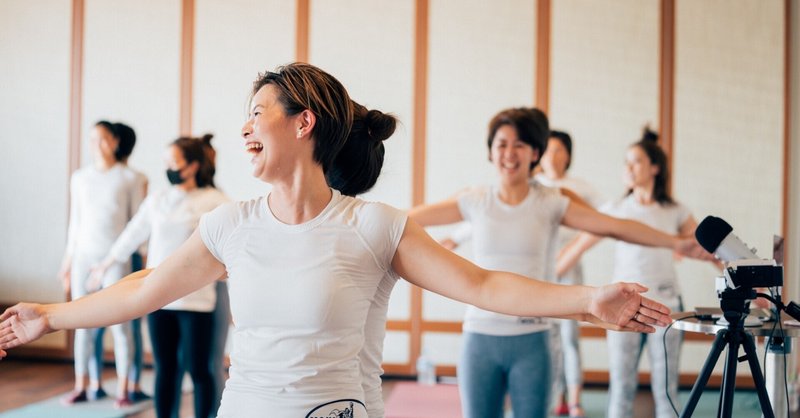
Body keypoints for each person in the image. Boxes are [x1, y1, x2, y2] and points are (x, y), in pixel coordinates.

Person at [0, 63, 673, 418]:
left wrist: (592, 298)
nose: (243, 128)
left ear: (304, 123)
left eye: (258, 112)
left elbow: (483, 285)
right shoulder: (230, 225)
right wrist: (49, 316)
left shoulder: (374, 226)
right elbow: (144, 287)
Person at [407, 109, 708, 418]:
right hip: (479, 338)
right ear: (490, 151)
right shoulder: (475, 199)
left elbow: (614, 225)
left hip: (534, 338)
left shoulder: (552, 200)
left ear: (535, 152)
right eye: (501, 144)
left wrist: (676, 243)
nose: (509, 153)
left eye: (519, 144)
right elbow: (407, 221)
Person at [556, 128, 697, 418]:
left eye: (635, 162)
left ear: (655, 168)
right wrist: (543, 277)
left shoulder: (676, 211)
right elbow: (578, 246)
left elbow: (704, 250)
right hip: (623, 309)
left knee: (666, 389)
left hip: (666, 308)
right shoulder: (616, 209)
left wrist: (750, 284)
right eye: (626, 163)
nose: (628, 169)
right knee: (621, 387)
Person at [90, 134, 229, 417]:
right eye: (165, 161)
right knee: (166, 368)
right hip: (158, 299)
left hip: (197, 302)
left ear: (192, 166)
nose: (166, 167)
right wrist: (105, 264)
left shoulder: (216, 201)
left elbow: (232, 244)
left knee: (201, 368)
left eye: (172, 162)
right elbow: (132, 234)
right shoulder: (159, 200)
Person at [56, 120, 146, 408]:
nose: (97, 144)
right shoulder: (80, 178)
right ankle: (84, 384)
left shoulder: (131, 178)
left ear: (115, 142)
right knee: (83, 324)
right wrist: (68, 261)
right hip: (84, 256)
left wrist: (140, 262)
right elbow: (75, 223)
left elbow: (138, 226)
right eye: (93, 138)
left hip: (115, 259)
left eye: (104, 139)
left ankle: (123, 388)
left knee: (120, 325)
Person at [534, 130, 603, 418]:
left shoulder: (578, 187)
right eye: (547, 149)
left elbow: (605, 218)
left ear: (568, 155)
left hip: (570, 267)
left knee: (569, 336)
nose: (552, 154)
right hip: (539, 269)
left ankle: (574, 399)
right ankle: (554, 397)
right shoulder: (534, 185)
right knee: (545, 337)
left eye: (559, 149)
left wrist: (575, 249)